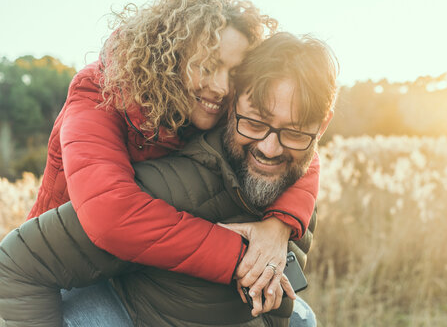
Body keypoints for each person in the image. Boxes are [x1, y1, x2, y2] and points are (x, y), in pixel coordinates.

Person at [0, 32, 338, 327]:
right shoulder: (103, 105)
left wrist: (280, 225)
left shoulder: (293, 172)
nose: (269, 147)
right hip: (75, 256)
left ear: (320, 129)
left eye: (295, 133)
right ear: (233, 104)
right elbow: (106, 219)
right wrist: (236, 256)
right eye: (255, 122)